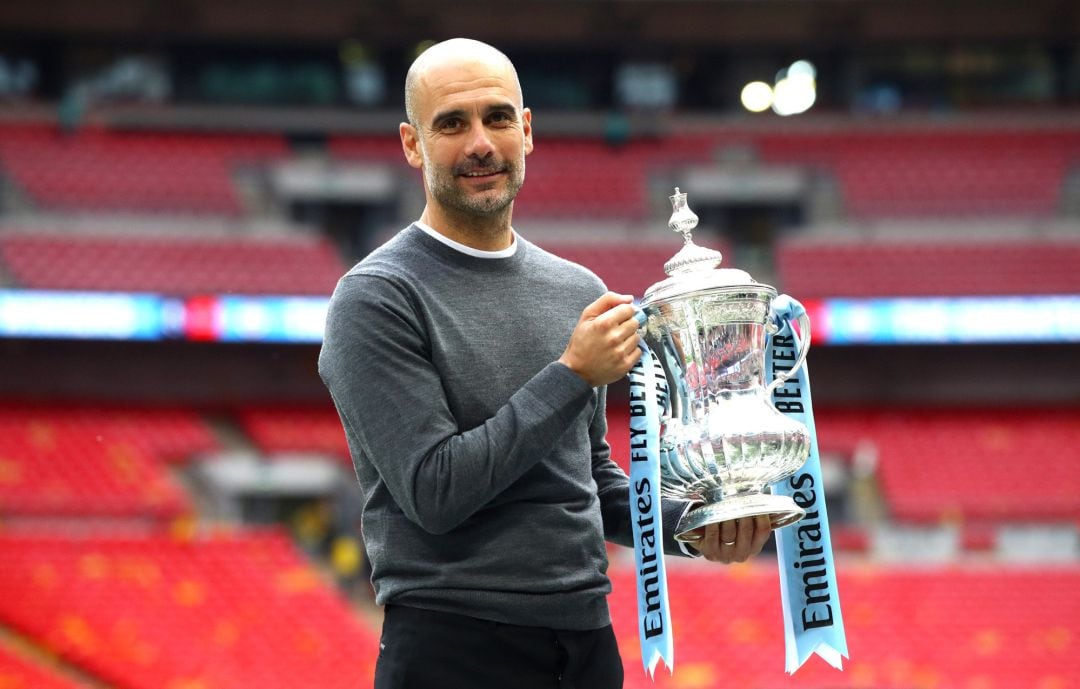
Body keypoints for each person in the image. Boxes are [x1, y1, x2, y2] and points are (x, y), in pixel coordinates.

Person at [318, 38, 772, 689]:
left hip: (586, 643)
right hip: (453, 647)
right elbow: (434, 491)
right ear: (412, 144)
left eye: (498, 117)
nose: (481, 142)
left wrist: (695, 528)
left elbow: (586, 480)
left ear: (526, 131)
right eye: (452, 123)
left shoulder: (576, 290)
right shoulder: (377, 296)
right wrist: (570, 374)